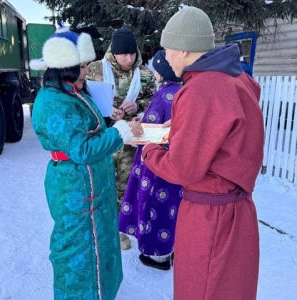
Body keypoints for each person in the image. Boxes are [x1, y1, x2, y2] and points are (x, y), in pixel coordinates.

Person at [141, 7, 264, 300]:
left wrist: (149, 149)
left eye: (168, 50)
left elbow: (183, 168)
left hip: (210, 217)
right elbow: (228, 131)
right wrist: (183, 125)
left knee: (200, 291)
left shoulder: (202, 88)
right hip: (239, 212)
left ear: (184, 49)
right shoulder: (236, 77)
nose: (166, 57)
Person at [30, 26, 143, 300]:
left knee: (100, 245)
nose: (85, 70)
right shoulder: (54, 102)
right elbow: (80, 149)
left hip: (93, 187)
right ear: (63, 66)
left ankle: (101, 293)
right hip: (76, 190)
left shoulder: (72, 90)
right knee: (77, 250)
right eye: (80, 66)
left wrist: (115, 124)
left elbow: (91, 128)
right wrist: (120, 133)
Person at [87, 27, 155, 250]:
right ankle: (99, 227)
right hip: (103, 139)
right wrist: (105, 112)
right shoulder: (94, 70)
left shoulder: (144, 74)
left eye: (132, 53)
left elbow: (154, 102)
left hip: (129, 144)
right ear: (113, 52)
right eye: (124, 54)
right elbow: (83, 100)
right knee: (99, 183)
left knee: (124, 186)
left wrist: (139, 106)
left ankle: (120, 229)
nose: (129, 59)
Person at [119, 49, 183, 270]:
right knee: (172, 206)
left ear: (163, 73)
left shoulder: (163, 95)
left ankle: (157, 255)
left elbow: (150, 130)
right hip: (175, 162)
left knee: (153, 204)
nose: (154, 73)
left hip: (155, 162)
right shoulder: (182, 92)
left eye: (156, 70)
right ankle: (171, 248)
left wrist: (135, 127)